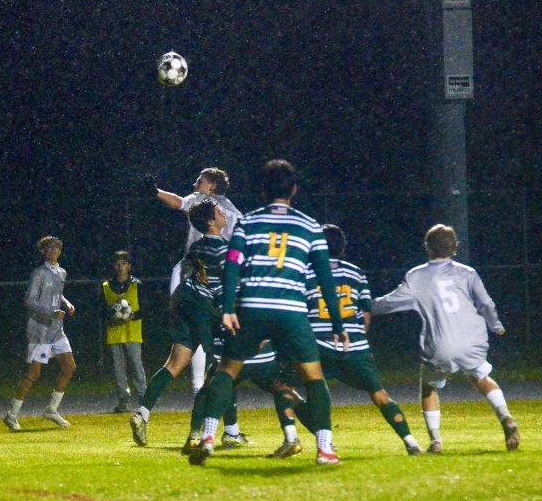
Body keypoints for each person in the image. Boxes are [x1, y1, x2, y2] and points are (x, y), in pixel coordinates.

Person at [190, 159, 348, 467]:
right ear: (294, 189)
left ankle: (208, 437)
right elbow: (326, 280)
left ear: (263, 190)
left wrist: (227, 309)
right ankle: (325, 449)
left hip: (252, 307)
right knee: (313, 377)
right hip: (291, 310)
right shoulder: (310, 226)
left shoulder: (247, 223)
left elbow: (233, 263)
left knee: (227, 372)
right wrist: (338, 323)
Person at [272, 223, 421, 457]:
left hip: (318, 344)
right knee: (380, 395)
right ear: (342, 247)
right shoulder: (356, 272)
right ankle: (411, 442)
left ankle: (294, 438)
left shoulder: (305, 272)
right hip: (355, 345)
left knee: (283, 386)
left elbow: (297, 311)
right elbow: (366, 315)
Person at [371, 224, 520, 453]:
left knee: (429, 387)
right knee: (481, 378)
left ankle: (436, 441)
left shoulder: (416, 276)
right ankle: (506, 417)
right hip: (472, 339)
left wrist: (363, 307)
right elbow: (486, 303)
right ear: (455, 247)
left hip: (441, 343)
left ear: (427, 247)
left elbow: (389, 302)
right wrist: (496, 326)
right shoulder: (467, 272)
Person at [130, 198, 227, 446]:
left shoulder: (195, 248)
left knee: (173, 365)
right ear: (210, 221)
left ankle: (142, 414)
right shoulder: (223, 249)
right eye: (218, 211)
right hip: (208, 312)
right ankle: (200, 432)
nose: (223, 213)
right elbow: (225, 286)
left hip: (188, 307)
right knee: (219, 372)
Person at [148, 168, 242, 395]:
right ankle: (209, 386)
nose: (195, 182)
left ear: (211, 186)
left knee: (190, 326)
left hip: (195, 268)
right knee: (215, 329)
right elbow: (243, 238)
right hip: (221, 271)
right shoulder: (232, 210)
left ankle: (199, 385)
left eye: (200, 180)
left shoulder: (203, 201)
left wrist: (155, 192)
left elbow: (178, 203)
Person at [3, 236, 77, 431]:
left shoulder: (62, 272)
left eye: (56, 248)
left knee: (69, 367)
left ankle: (52, 410)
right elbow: (29, 300)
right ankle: (12, 415)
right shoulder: (39, 274)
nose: (53, 251)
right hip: (40, 330)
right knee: (34, 374)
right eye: (49, 248)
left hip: (56, 328)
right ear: (43, 252)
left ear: (60, 251)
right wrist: (50, 312)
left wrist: (66, 303)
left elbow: (56, 293)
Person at [102, 250, 147, 413]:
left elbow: (146, 308)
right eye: (117, 264)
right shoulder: (106, 286)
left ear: (129, 266)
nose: (120, 267)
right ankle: (124, 401)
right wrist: (112, 317)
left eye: (124, 263)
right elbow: (102, 311)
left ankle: (144, 399)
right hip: (114, 333)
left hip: (132, 332)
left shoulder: (136, 284)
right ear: (113, 266)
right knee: (118, 369)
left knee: (136, 366)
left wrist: (132, 316)